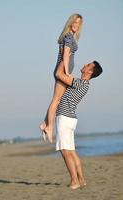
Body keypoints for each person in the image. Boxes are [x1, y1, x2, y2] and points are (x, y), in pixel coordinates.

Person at [55, 61, 103, 189]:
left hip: (65, 118)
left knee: (65, 152)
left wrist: (62, 59)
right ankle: (81, 180)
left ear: (90, 72)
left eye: (88, 65)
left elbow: (58, 74)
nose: (85, 64)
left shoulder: (80, 83)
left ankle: (75, 181)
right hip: (69, 118)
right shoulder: (84, 84)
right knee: (71, 151)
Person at [39, 13, 83, 143]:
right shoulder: (68, 36)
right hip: (63, 71)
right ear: (70, 22)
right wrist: (67, 73)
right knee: (56, 100)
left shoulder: (69, 36)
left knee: (56, 100)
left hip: (62, 71)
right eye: (74, 22)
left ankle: (44, 124)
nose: (76, 25)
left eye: (79, 23)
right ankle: (50, 128)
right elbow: (66, 56)